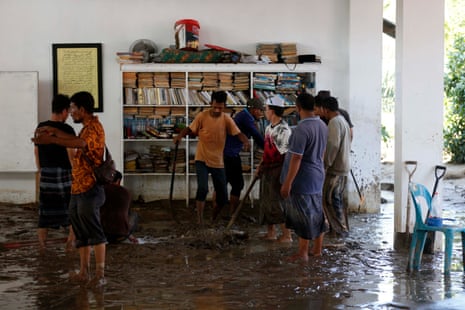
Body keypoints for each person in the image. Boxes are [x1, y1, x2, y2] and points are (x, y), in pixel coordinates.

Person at [32, 91, 107, 287]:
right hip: (78, 187)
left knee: (94, 231)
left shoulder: (94, 129)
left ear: (82, 110)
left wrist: (54, 138)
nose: (71, 113)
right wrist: (54, 132)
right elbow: (72, 141)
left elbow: (78, 144)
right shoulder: (84, 127)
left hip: (90, 187)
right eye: (70, 109)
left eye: (73, 109)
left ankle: (99, 274)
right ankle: (84, 272)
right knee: (81, 232)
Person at [173, 91, 250, 224]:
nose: (217, 110)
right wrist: (179, 136)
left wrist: (245, 141)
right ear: (210, 103)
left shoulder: (226, 119)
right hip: (202, 159)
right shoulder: (202, 116)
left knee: (223, 197)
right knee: (203, 188)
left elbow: (238, 133)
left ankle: (213, 219)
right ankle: (200, 220)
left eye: (220, 108)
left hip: (218, 161)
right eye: (215, 107)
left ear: (224, 106)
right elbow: (189, 129)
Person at [280, 92, 328, 262]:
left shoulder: (301, 129)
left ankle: (303, 252)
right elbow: (322, 153)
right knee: (317, 212)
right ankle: (317, 249)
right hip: (317, 174)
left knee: (304, 215)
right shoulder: (322, 125)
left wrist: (287, 183)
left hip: (304, 179)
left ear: (298, 107)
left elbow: (297, 158)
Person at [34, 94, 76, 250]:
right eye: (69, 112)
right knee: (71, 212)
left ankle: (42, 246)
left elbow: (36, 153)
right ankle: (70, 244)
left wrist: (41, 171)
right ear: (64, 111)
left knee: (44, 213)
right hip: (64, 174)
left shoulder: (41, 127)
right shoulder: (67, 129)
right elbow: (71, 155)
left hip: (46, 174)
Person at [256, 95, 293, 242]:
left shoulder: (284, 130)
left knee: (278, 201)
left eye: (266, 109)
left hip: (278, 169)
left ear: (272, 110)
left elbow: (286, 155)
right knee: (266, 200)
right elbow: (266, 151)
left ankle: (287, 234)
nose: (265, 112)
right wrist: (260, 167)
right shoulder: (268, 128)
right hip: (267, 168)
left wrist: (284, 176)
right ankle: (271, 232)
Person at [221, 98, 265, 215]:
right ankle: (232, 213)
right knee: (238, 184)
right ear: (255, 110)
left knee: (223, 183)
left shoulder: (244, 115)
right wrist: (269, 148)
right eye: (261, 111)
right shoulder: (246, 118)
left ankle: (222, 213)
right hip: (230, 154)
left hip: (227, 153)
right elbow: (256, 135)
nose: (262, 114)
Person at [320, 96, 351, 237]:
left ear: (325, 109)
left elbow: (333, 145)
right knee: (334, 199)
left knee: (330, 199)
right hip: (342, 166)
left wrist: (326, 163)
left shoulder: (334, 122)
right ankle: (338, 229)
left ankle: (339, 230)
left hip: (336, 168)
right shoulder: (342, 120)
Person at [100, 170, 138, 243]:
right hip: (120, 235)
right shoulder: (126, 192)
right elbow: (126, 214)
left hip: (101, 233)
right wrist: (128, 234)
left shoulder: (100, 190)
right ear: (118, 180)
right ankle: (127, 234)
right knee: (134, 215)